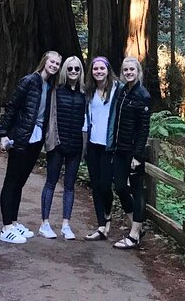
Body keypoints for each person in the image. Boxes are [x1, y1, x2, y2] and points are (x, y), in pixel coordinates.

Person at [0, 51, 61, 244]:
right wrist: (2, 134)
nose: (55, 65)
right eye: (52, 61)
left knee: (20, 182)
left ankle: (14, 222)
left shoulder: (50, 86)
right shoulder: (28, 81)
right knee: (11, 181)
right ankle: (6, 227)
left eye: (58, 64)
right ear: (44, 61)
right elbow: (12, 107)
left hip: (36, 139)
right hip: (20, 138)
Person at [38, 56, 86, 240]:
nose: (73, 72)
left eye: (77, 69)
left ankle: (66, 224)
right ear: (64, 71)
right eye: (70, 69)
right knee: (50, 183)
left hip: (75, 146)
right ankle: (45, 223)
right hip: (57, 145)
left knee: (69, 187)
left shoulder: (84, 94)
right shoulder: (55, 91)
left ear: (81, 72)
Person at [112, 56, 151, 249]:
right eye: (125, 70)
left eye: (132, 70)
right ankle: (137, 225)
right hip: (120, 149)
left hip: (133, 152)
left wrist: (137, 155)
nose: (128, 73)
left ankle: (134, 234)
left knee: (137, 190)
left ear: (138, 72)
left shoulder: (142, 95)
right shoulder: (123, 92)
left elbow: (144, 129)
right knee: (119, 187)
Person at [83, 56, 123, 241]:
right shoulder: (89, 92)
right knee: (96, 185)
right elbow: (86, 118)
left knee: (106, 185)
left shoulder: (118, 89)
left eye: (101, 68)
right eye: (95, 69)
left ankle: (107, 215)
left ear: (108, 70)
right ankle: (101, 225)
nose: (98, 72)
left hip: (109, 146)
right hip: (93, 145)